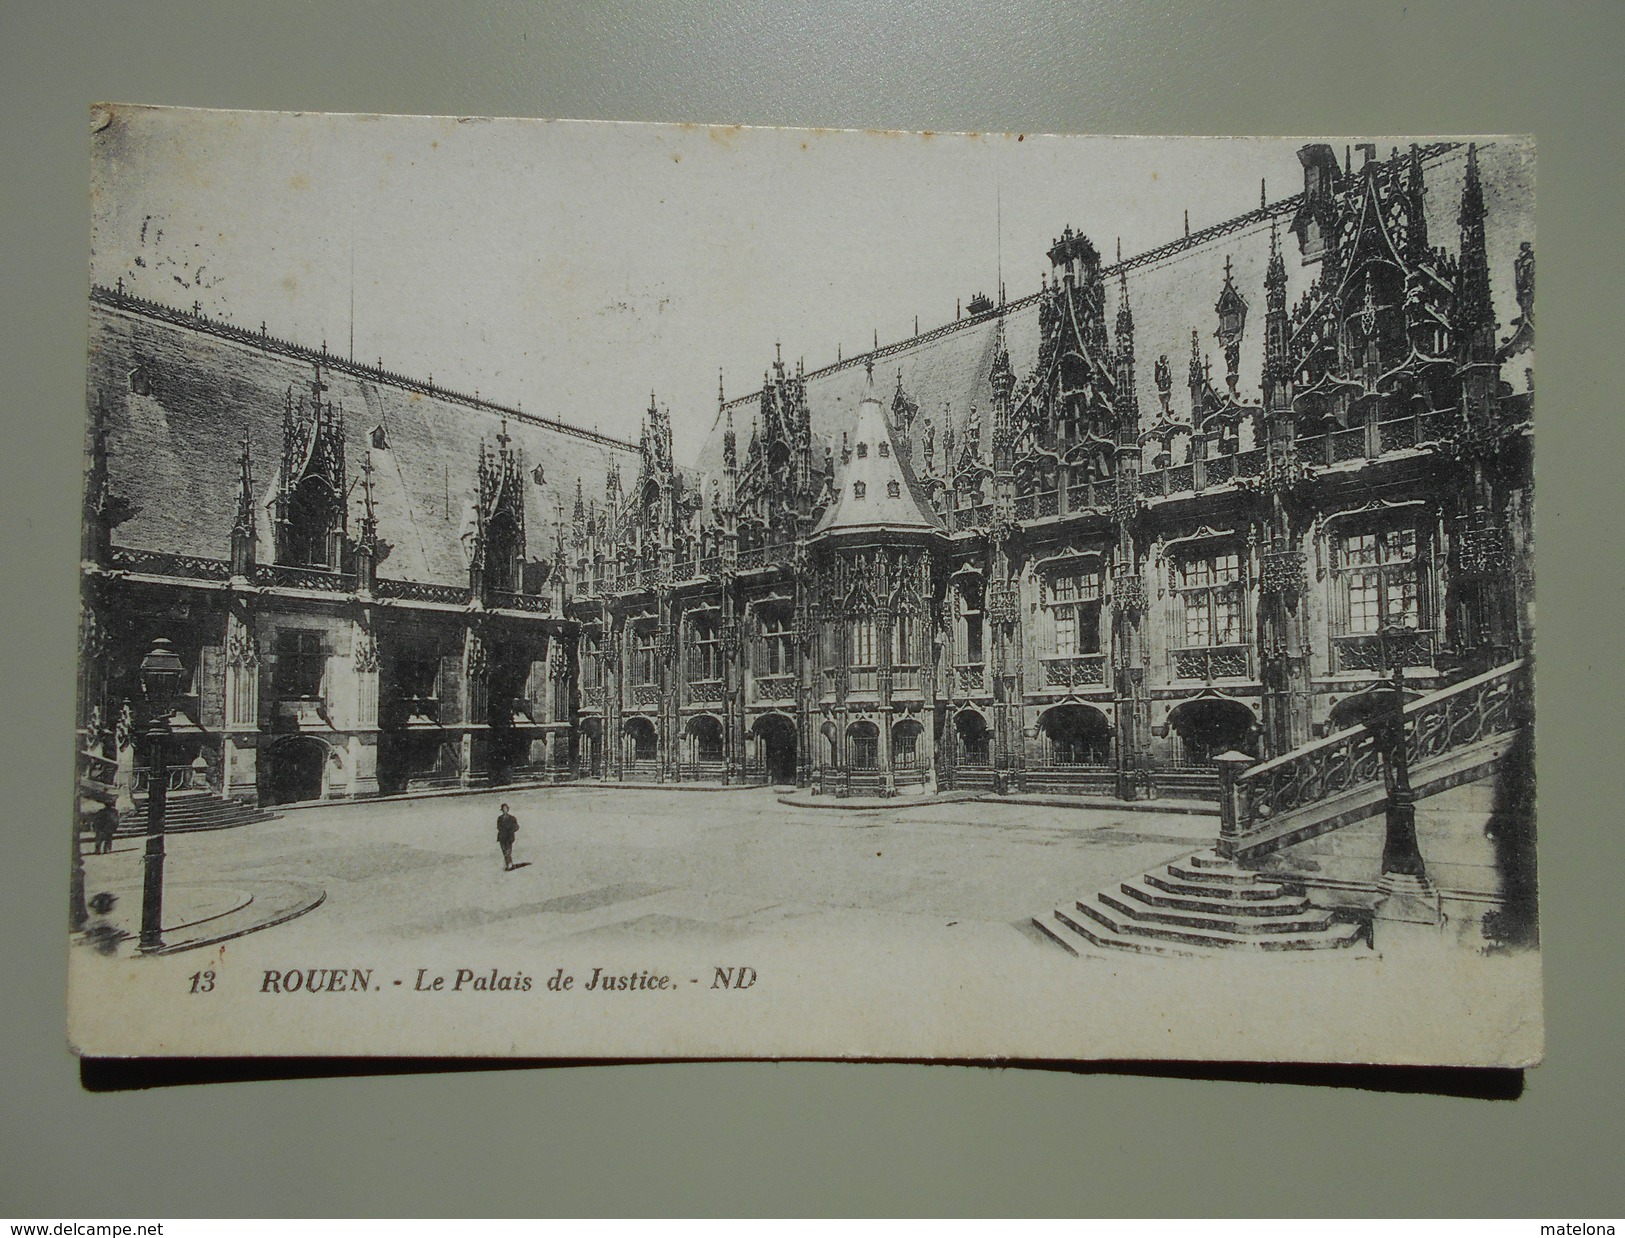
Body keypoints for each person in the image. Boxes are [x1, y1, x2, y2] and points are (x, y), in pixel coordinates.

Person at [496, 802, 519, 871]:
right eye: (503, 809)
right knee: (504, 851)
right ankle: (508, 863)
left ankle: (509, 864)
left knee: (508, 851)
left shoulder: (512, 818)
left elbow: (516, 827)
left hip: (509, 837)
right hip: (502, 837)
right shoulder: (499, 818)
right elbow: (498, 827)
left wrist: (511, 830)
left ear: (508, 809)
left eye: (506, 809)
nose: (504, 810)